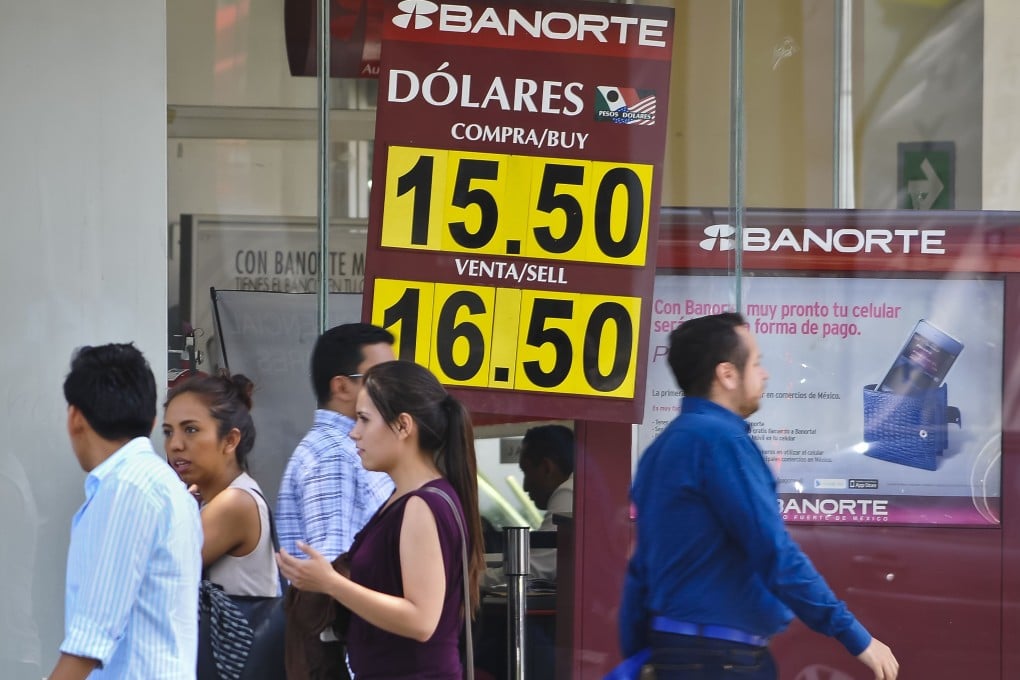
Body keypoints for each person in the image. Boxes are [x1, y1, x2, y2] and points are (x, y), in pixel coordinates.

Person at [618, 313, 899, 680]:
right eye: (757, 363)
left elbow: (641, 569)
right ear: (727, 374)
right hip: (721, 661)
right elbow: (774, 553)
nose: (764, 374)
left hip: (674, 654)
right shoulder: (723, 443)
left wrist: (640, 652)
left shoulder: (662, 448)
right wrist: (855, 636)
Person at [277, 360, 485, 679]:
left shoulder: (421, 505)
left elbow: (421, 620)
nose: (354, 433)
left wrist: (331, 583)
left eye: (363, 419)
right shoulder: (407, 498)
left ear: (403, 426)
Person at [50, 343, 202, 680]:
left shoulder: (126, 488)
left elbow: (89, 639)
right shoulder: (163, 484)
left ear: (75, 417)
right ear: (151, 422)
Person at [276, 323, 396, 561]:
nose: (394, 387)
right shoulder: (336, 457)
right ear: (341, 387)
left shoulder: (348, 449)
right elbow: (334, 572)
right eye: (380, 377)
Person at [163, 372, 278, 597]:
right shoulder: (213, 498)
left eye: (191, 430)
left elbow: (156, 572)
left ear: (230, 440)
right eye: (168, 432)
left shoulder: (234, 503)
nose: (175, 444)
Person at [483, 424, 574, 587]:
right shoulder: (578, 489)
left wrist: (473, 580)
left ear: (547, 468)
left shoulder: (568, 492)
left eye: (526, 471)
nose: (524, 486)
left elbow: (536, 568)